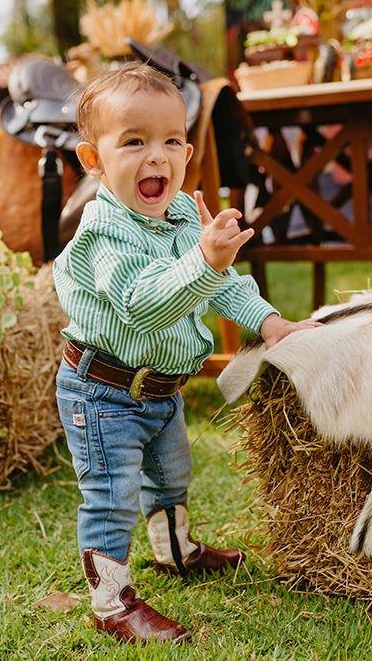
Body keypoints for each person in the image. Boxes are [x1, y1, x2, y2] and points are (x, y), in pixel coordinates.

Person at [52, 62, 316, 644]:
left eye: (171, 140)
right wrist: (204, 261)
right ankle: (110, 601)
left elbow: (221, 284)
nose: (157, 157)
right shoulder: (104, 231)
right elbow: (143, 306)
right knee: (112, 495)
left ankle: (174, 551)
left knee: (172, 475)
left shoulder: (176, 217)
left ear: (187, 150)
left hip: (160, 390)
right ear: (93, 161)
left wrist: (268, 321)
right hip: (102, 392)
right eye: (135, 142)